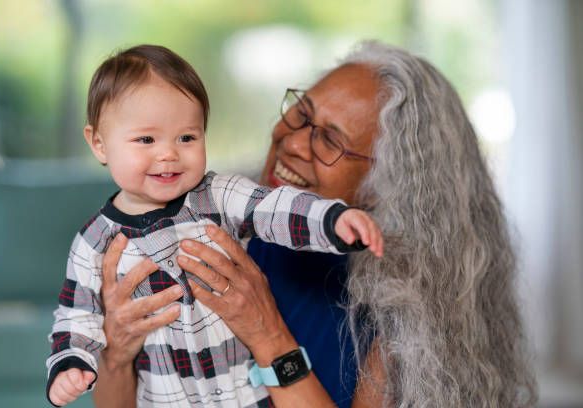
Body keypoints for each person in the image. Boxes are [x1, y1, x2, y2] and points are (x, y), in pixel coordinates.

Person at [93, 41, 538, 407]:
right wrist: (116, 354)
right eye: (301, 114)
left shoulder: (407, 316)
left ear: (384, 188)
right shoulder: (214, 228)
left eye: (329, 140)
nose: (294, 144)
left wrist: (267, 334)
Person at [45, 44, 383, 407]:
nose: (168, 154)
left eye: (187, 137)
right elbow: (76, 315)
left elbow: (276, 207)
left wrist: (333, 220)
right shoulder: (94, 241)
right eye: (146, 139)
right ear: (99, 144)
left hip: (241, 394)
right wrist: (71, 362)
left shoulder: (219, 195)